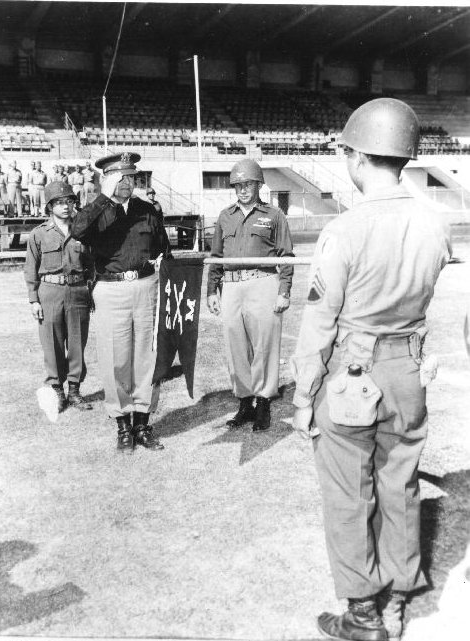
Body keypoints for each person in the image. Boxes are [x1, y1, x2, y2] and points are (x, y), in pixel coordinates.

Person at [290, 98, 452, 641]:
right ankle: (398, 601)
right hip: (408, 368)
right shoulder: (435, 224)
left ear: (359, 157)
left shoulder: (345, 229)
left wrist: (302, 395)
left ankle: (363, 616)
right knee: (400, 485)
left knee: (348, 491)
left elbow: (319, 320)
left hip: (352, 375)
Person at [71, 152, 172, 453]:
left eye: (131, 178)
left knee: (147, 356)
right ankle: (123, 426)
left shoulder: (147, 210)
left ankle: (142, 423)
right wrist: (105, 199)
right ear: (107, 180)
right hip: (111, 289)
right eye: (120, 178)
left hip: (145, 286)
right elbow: (78, 230)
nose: (127, 183)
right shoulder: (95, 210)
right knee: (116, 358)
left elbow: (162, 246)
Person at [207, 159, 294, 431]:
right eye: (238, 185)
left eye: (249, 184)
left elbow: (286, 256)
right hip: (232, 286)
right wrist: (212, 289)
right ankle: (245, 402)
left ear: (259, 185)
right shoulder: (224, 216)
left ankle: (264, 402)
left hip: (263, 282)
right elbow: (216, 256)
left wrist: (284, 291)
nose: (243, 189)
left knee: (265, 345)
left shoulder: (274, 215)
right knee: (236, 346)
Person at [24, 182, 94, 414]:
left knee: (76, 343)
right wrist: (34, 299)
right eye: (60, 203)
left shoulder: (83, 231)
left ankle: (74, 390)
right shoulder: (39, 234)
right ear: (50, 206)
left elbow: (92, 265)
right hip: (50, 293)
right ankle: (57, 391)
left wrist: (91, 291)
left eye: (69, 201)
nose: (66, 206)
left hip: (77, 292)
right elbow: (31, 268)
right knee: (52, 344)